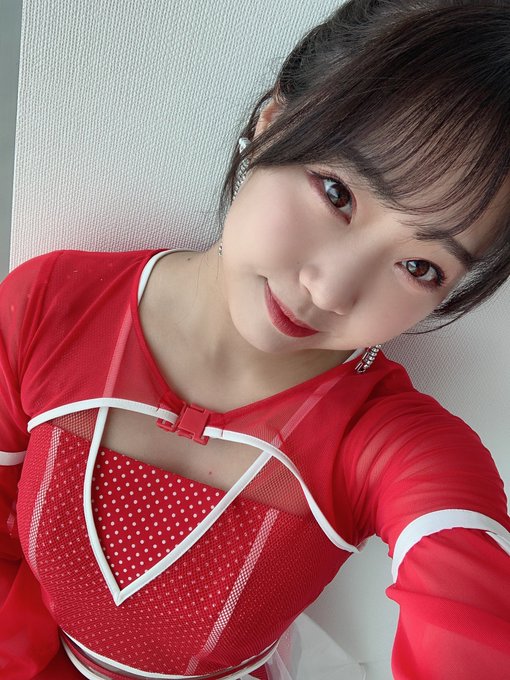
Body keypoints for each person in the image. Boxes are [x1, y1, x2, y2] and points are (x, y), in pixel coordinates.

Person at [1, 0, 510, 678]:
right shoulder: (49, 307)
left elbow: (473, 617)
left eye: (420, 267)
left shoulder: (385, 441)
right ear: (272, 121)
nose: (330, 291)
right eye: (337, 193)